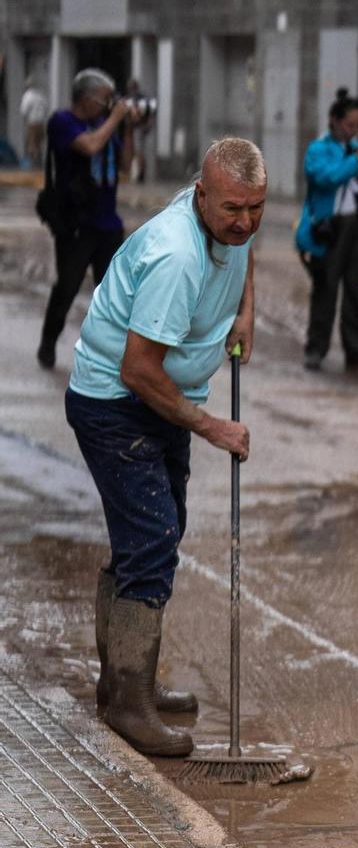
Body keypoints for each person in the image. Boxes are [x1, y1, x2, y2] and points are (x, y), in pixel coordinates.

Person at [64, 138, 266, 757]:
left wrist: (244, 313)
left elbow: (244, 253)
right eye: (232, 209)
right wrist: (213, 427)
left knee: (153, 531)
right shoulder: (177, 254)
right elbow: (138, 370)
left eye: (256, 208)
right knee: (151, 537)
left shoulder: (230, 222)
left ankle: (124, 680)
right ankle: (129, 703)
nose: (245, 222)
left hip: (157, 397)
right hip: (115, 402)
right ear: (201, 196)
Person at [37, 68, 134, 370]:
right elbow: (90, 146)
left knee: (114, 295)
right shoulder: (62, 122)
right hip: (76, 223)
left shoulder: (104, 125)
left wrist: (127, 128)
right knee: (67, 286)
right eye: (105, 99)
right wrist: (115, 120)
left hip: (108, 225)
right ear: (87, 97)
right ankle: (48, 343)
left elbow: (127, 166)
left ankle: (110, 357)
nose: (109, 105)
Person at [297, 87, 358, 372]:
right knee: (325, 287)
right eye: (350, 124)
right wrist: (356, 161)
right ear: (335, 121)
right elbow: (326, 178)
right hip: (330, 226)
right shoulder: (318, 149)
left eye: (357, 124)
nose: (354, 130)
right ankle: (316, 348)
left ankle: (356, 347)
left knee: (357, 288)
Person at [20, 76, 48, 168]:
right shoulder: (40, 95)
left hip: (32, 122)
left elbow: (24, 110)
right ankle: (39, 161)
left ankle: (33, 163)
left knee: (32, 142)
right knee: (39, 142)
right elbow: (46, 108)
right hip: (41, 122)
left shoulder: (28, 95)